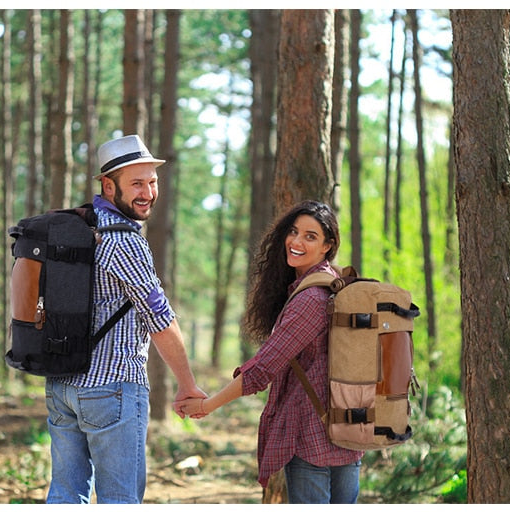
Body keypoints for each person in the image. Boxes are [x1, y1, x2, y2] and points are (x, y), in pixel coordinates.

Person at [45, 134, 206, 504]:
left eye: (152, 182)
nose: (148, 192)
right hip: (112, 389)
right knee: (121, 501)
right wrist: (186, 385)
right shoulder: (124, 241)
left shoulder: (78, 228)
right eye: (136, 183)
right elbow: (160, 320)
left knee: (65, 497)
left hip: (61, 387)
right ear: (108, 185)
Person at [175, 200, 363, 504]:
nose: (296, 241)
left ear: (328, 246)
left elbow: (262, 370)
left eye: (310, 236)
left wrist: (208, 405)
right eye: (293, 231)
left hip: (312, 434)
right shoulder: (336, 285)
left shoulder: (312, 298)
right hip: (348, 428)